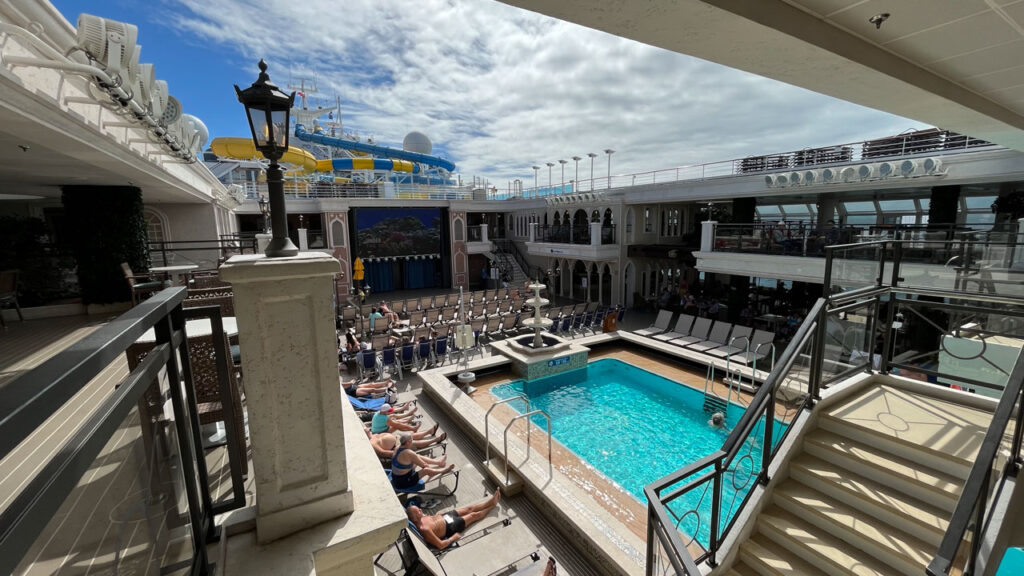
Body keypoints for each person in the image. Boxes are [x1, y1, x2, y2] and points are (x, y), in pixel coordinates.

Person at [406, 489, 502, 549]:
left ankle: (490, 501)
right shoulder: (424, 530)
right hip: (450, 526)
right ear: (414, 518)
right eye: (417, 511)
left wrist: (440, 515)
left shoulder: (421, 518)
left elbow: (433, 519)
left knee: (469, 509)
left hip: (446, 516)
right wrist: (452, 538)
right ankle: (492, 506)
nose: (420, 509)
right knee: (473, 515)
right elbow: (440, 545)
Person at [365, 428, 446, 459]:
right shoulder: (372, 443)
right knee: (414, 443)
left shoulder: (373, 435)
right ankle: (436, 440)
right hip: (396, 446)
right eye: (366, 430)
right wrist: (398, 452)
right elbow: (382, 453)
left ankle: (429, 431)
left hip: (396, 438)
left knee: (410, 435)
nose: (368, 428)